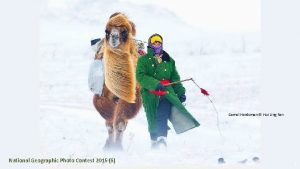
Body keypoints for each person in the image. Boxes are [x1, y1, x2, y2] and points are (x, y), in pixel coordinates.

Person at [136, 33, 200, 149]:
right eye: (154, 42)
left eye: (159, 42)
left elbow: (175, 78)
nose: (157, 44)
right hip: (150, 94)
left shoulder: (169, 60)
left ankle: (162, 139)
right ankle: (154, 141)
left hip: (166, 92)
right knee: (152, 117)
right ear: (150, 44)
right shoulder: (143, 60)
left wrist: (181, 92)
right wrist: (155, 84)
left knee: (162, 114)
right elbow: (140, 77)